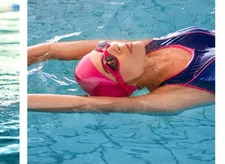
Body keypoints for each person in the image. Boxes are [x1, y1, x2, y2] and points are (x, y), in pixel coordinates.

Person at [28, 27, 214, 113]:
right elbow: (82, 104)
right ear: (125, 84)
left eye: (102, 47)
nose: (113, 47)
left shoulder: (149, 48)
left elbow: (53, 49)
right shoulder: (172, 95)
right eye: (110, 61)